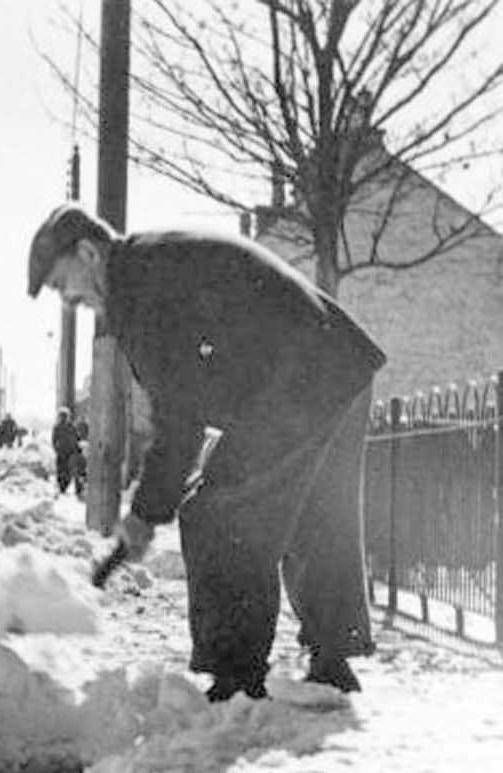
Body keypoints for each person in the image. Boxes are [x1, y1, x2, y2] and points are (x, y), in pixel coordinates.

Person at [27, 203, 386, 701]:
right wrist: (150, 508)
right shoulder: (154, 263)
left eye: (63, 283)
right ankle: (333, 656)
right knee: (317, 512)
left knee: (216, 513)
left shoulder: (142, 293)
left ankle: (237, 677)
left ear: (88, 253)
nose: (68, 300)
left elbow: (179, 423)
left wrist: (146, 515)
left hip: (300, 381)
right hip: (338, 362)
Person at [51, 408, 83, 496]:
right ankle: (62, 487)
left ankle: (65, 486)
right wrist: (56, 448)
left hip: (69, 452)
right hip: (61, 452)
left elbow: (76, 438)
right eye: (62, 416)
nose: (63, 418)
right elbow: (54, 440)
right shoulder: (57, 427)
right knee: (61, 470)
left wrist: (76, 448)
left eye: (64, 416)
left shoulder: (71, 427)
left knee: (68, 470)